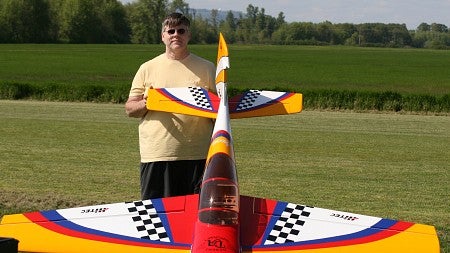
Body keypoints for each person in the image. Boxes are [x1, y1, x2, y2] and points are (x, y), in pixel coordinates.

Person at [125, 12, 216, 200]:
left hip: (197, 154)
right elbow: (130, 109)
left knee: (194, 216)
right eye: (171, 31)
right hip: (158, 153)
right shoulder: (147, 68)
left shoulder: (207, 68)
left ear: (188, 35)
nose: (176, 35)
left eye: (181, 31)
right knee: (156, 215)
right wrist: (149, 102)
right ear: (163, 36)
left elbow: (218, 111)